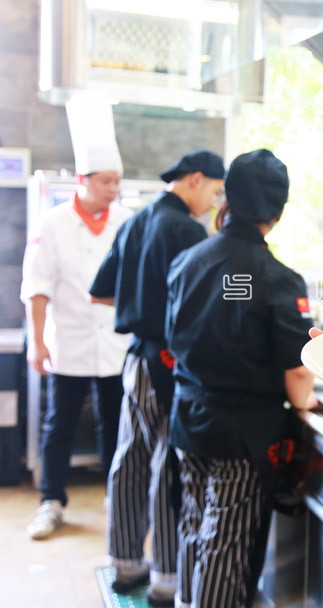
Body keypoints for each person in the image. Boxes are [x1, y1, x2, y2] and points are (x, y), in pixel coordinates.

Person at [165, 149, 317, 608]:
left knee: (194, 524)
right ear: (278, 212)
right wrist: (306, 403)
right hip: (242, 433)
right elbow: (297, 370)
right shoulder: (278, 277)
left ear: (226, 198)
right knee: (224, 543)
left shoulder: (188, 260)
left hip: (188, 416)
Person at [89, 150, 225, 607]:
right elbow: (202, 305)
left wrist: (140, 306)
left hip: (135, 360)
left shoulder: (133, 223)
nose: (214, 202)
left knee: (129, 459)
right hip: (168, 362)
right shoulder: (186, 230)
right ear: (195, 179)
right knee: (168, 463)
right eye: (215, 191)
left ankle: (125, 564)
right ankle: (167, 578)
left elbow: (100, 292)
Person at [21, 113, 133, 539]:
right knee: (60, 424)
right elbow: (37, 287)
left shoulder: (125, 221)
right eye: (106, 181)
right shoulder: (52, 224)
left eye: (117, 181)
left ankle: (116, 496)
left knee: (116, 423)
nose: (113, 189)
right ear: (83, 180)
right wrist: (37, 342)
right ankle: (51, 501)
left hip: (116, 343)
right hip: (67, 341)